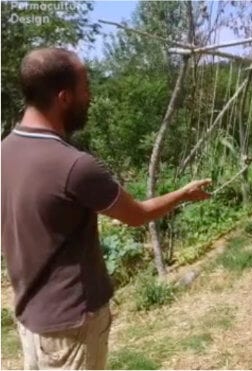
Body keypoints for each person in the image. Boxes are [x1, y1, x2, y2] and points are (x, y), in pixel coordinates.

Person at [1, 47, 212, 370]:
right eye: (86, 88)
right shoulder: (73, 166)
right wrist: (183, 193)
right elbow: (137, 215)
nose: (91, 97)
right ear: (64, 97)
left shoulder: (6, 152)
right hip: (71, 323)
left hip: (31, 318)